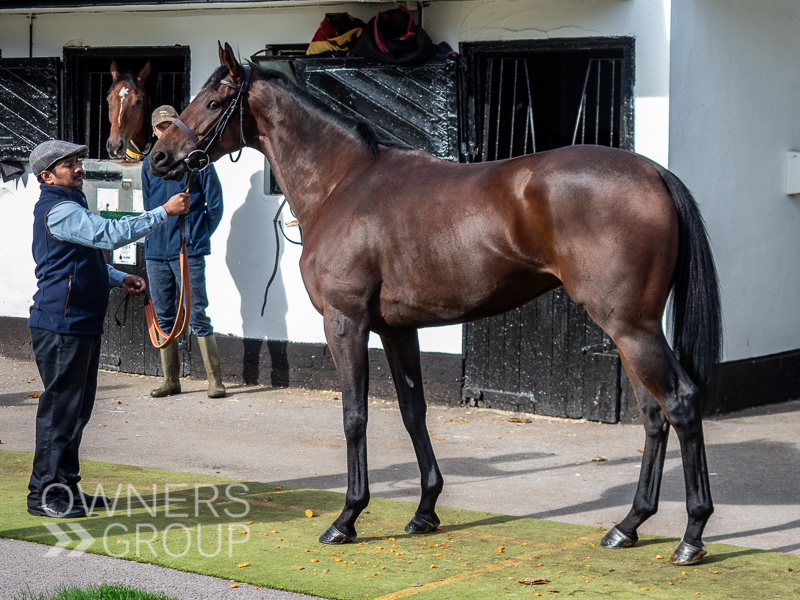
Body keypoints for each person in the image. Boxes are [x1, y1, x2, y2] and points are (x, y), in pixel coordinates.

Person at [27, 139, 190, 518]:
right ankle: (43, 495)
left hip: (77, 322)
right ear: (48, 176)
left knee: (76, 412)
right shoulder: (59, 209)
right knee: (60, 412)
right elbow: (108, 235)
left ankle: (65, 489)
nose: (78, 167)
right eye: (68, 164)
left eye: (77, 161)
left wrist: (118, 277)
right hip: (61, 323)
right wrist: (163, 212)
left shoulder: (70, 203)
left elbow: (82, 257)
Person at [142, 105, 226, 399]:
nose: (165, 131)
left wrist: (196, 237)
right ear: (154, 131)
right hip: (155, 252)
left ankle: (215, 381)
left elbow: (215, 206)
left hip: (187, 252)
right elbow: (148, 207)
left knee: (197, 313)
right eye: (160, 127)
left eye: (170, 125)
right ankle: (171, 380)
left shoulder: (199, 160)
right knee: (164, 316)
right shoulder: (148, 163)